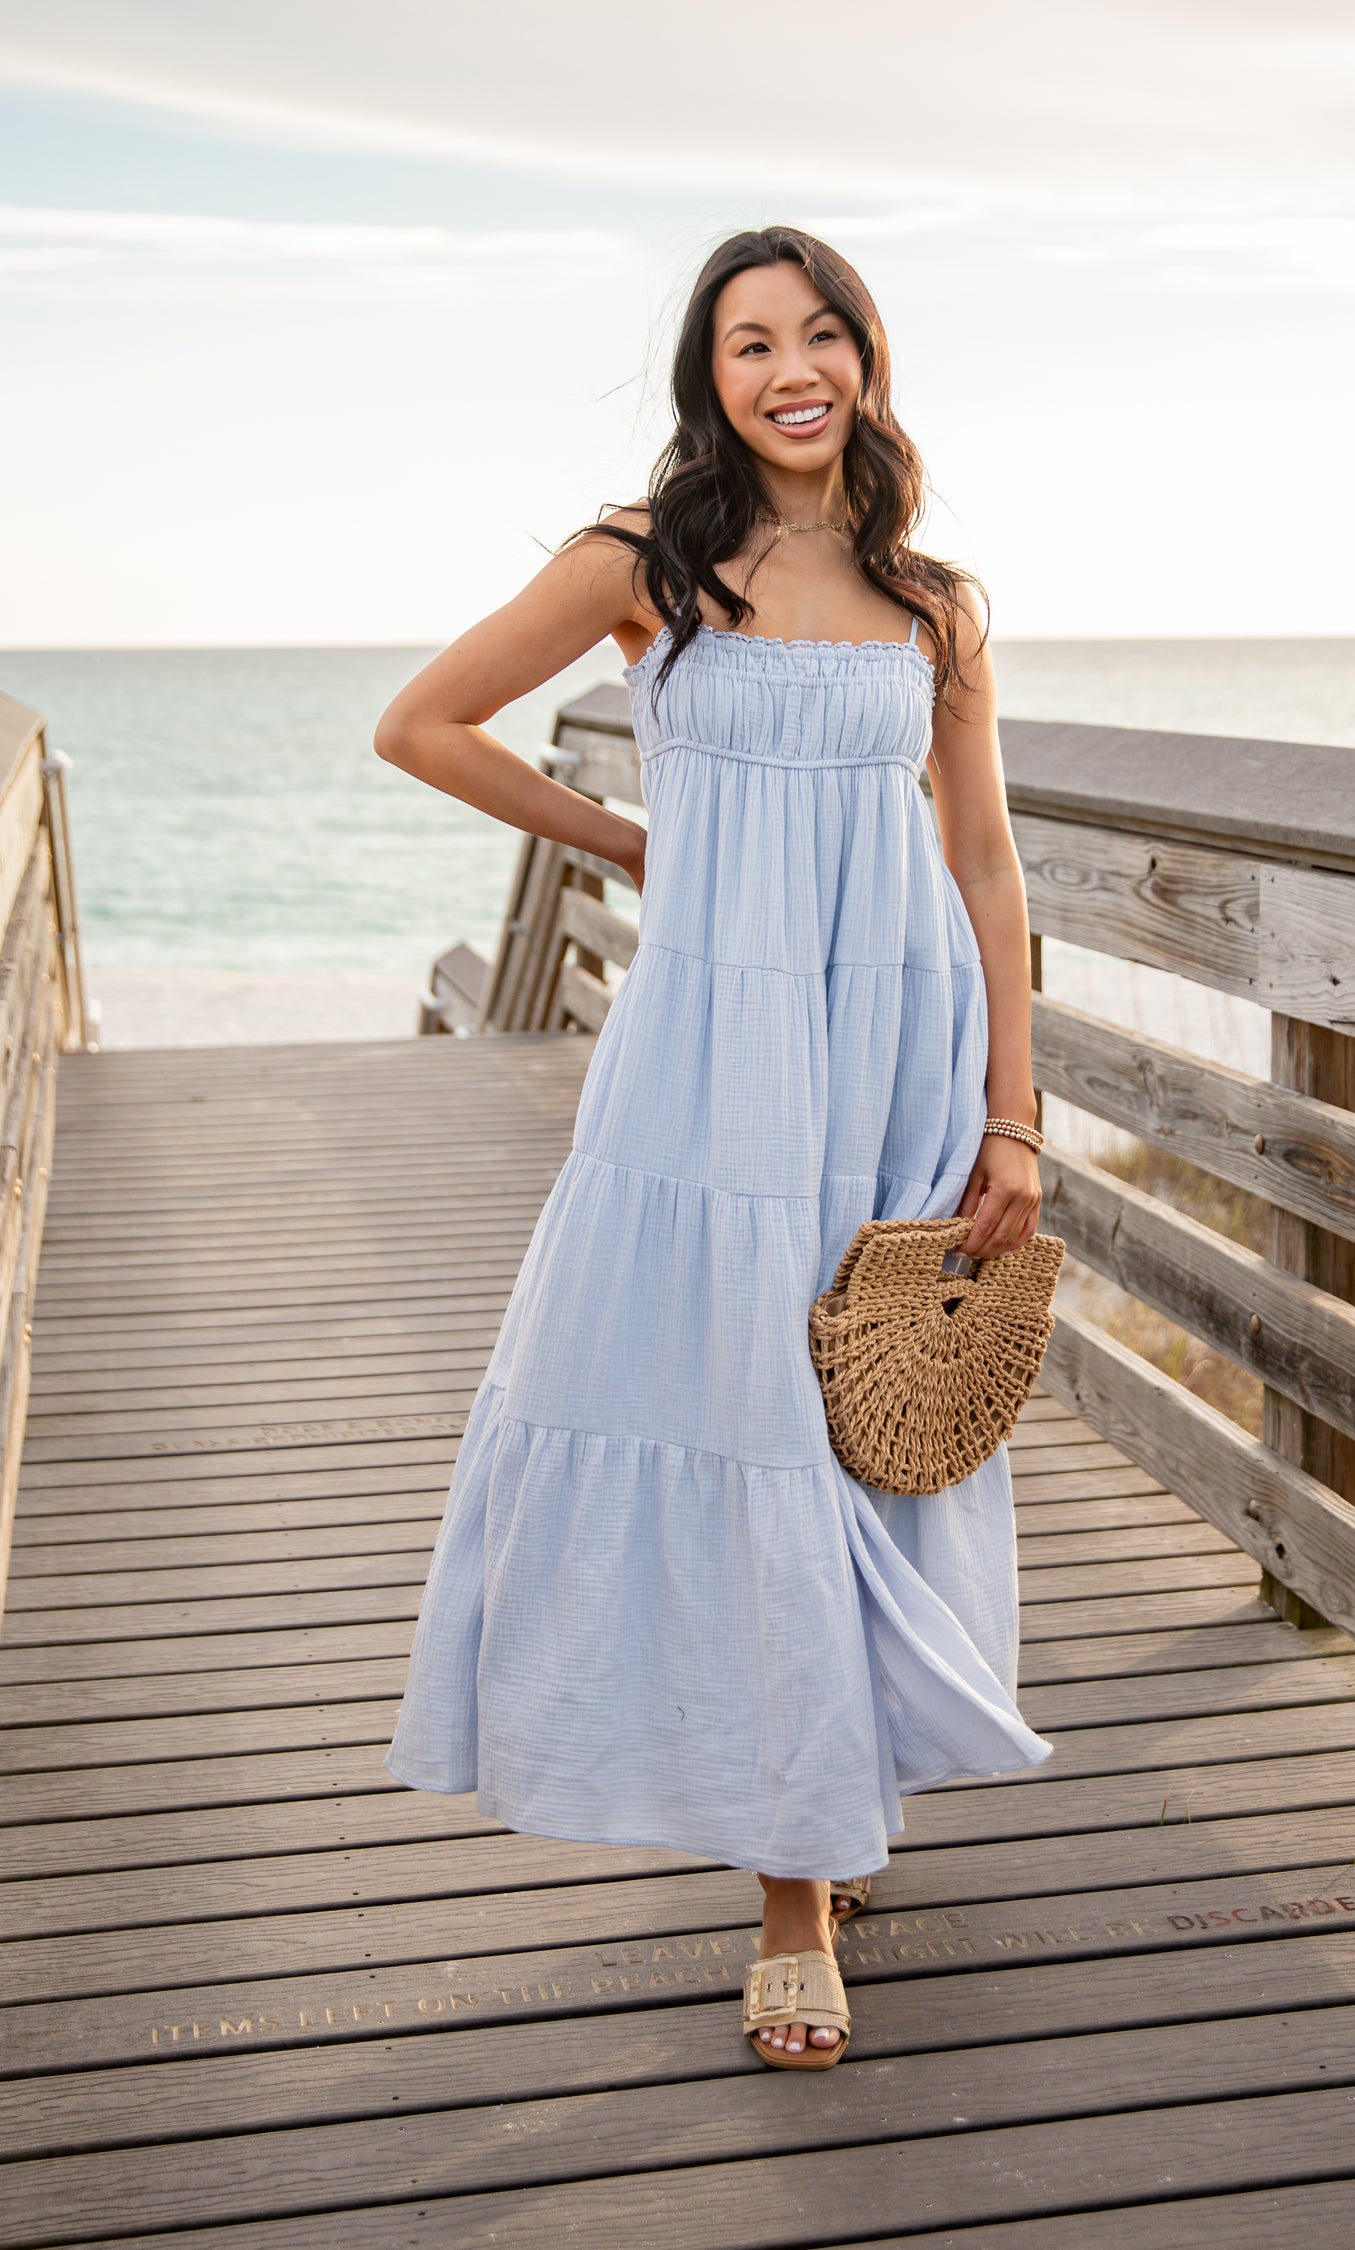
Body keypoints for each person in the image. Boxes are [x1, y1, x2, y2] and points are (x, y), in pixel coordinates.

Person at [375, 225, 1051, 2072]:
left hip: (894, 1045)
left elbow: (987, 864)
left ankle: (828, 1794)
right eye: (751, 342)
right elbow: (422, 724)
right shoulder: (644, 563)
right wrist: (626, 836)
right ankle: (791, 1891)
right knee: (742, 1419)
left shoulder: (937, 603)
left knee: (862, 1414)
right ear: (714, 378)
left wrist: (1015, 1110)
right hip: (708, 1058)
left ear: (867, 358)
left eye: (820, 331)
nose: (790, 367)